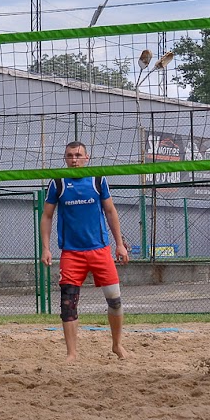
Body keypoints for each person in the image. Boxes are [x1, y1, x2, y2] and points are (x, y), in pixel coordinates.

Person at [39, 141, 129, 362]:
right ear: (65, 158)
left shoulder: (98, 180)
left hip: (100, 251)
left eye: (78, 155)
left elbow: (110, 211)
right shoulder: (58, 183)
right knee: (67, 304)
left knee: (115, 301)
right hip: (71, 253)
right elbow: (47, 216)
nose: (74, 159)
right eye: (70, 156)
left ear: (87, 158)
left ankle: (117, 345)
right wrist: (45, 248)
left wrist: (119, 244)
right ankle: (72, 353)